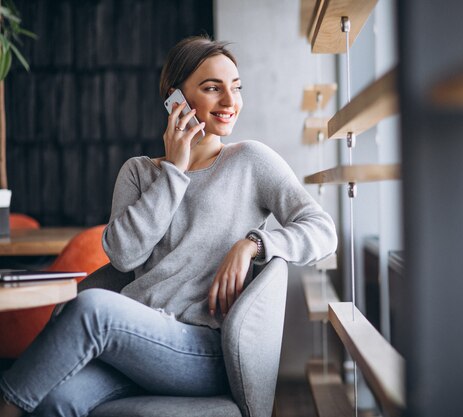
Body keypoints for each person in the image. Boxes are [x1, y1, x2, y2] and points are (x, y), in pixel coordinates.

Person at [0, 35, 337, 417]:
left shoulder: (251, 162)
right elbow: (124, 256)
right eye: (213, 88)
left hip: (200, 351)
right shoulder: (140, 172)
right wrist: (174, 172)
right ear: (175, 98)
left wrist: (253, 244)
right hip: (131, 343)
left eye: (236, 88)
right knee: (57, 402)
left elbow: (323, 230)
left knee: (90, 307)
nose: (230, 102)